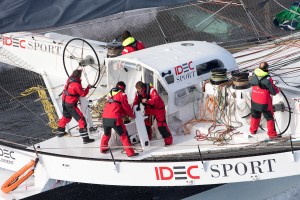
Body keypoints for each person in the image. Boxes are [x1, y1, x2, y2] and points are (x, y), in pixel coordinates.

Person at [100, 81, 139, 157]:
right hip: (115, 119)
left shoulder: (110, 94)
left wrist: (123, 113)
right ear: (123, 88)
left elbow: (114, 104)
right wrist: (132, 115)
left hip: (105, 118)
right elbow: (126, 107)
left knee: (107, 134)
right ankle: (130, 153)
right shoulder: (122, 95)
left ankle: (103, 149)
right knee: (124, 135)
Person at [57, 69, 95, 144]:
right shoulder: (76, 85)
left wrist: (79, 69)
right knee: (82, 120)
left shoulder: (69, 79)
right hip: (71, 105)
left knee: (66, 117)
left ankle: (60, 132)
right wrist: (88, 88)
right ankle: (85, 139)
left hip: (64, 102)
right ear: (79, 76)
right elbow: (83, 94)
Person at [132, 81, 173, 145]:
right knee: (146, 124)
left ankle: (168, 141)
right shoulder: (138, 93)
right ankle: (147, 139)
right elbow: (135, 101)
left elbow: (155, 99)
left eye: (139, 90)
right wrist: (133, 111)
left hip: (158, 109)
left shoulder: (152, 90)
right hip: (149, 109)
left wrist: (147, 101)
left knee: (161, 125)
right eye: (137, 90)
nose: (138, 91)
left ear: (143, 88)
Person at [250, 62, 280, 139]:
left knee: (255, 115)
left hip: (254, 101)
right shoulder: (268, 79)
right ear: (266, 68)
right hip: (264, 103)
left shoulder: (254, 75)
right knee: (269, 117)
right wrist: (278, 89)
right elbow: (273, 92)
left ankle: (253, 130)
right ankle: (272, 134)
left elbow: (252, 83)